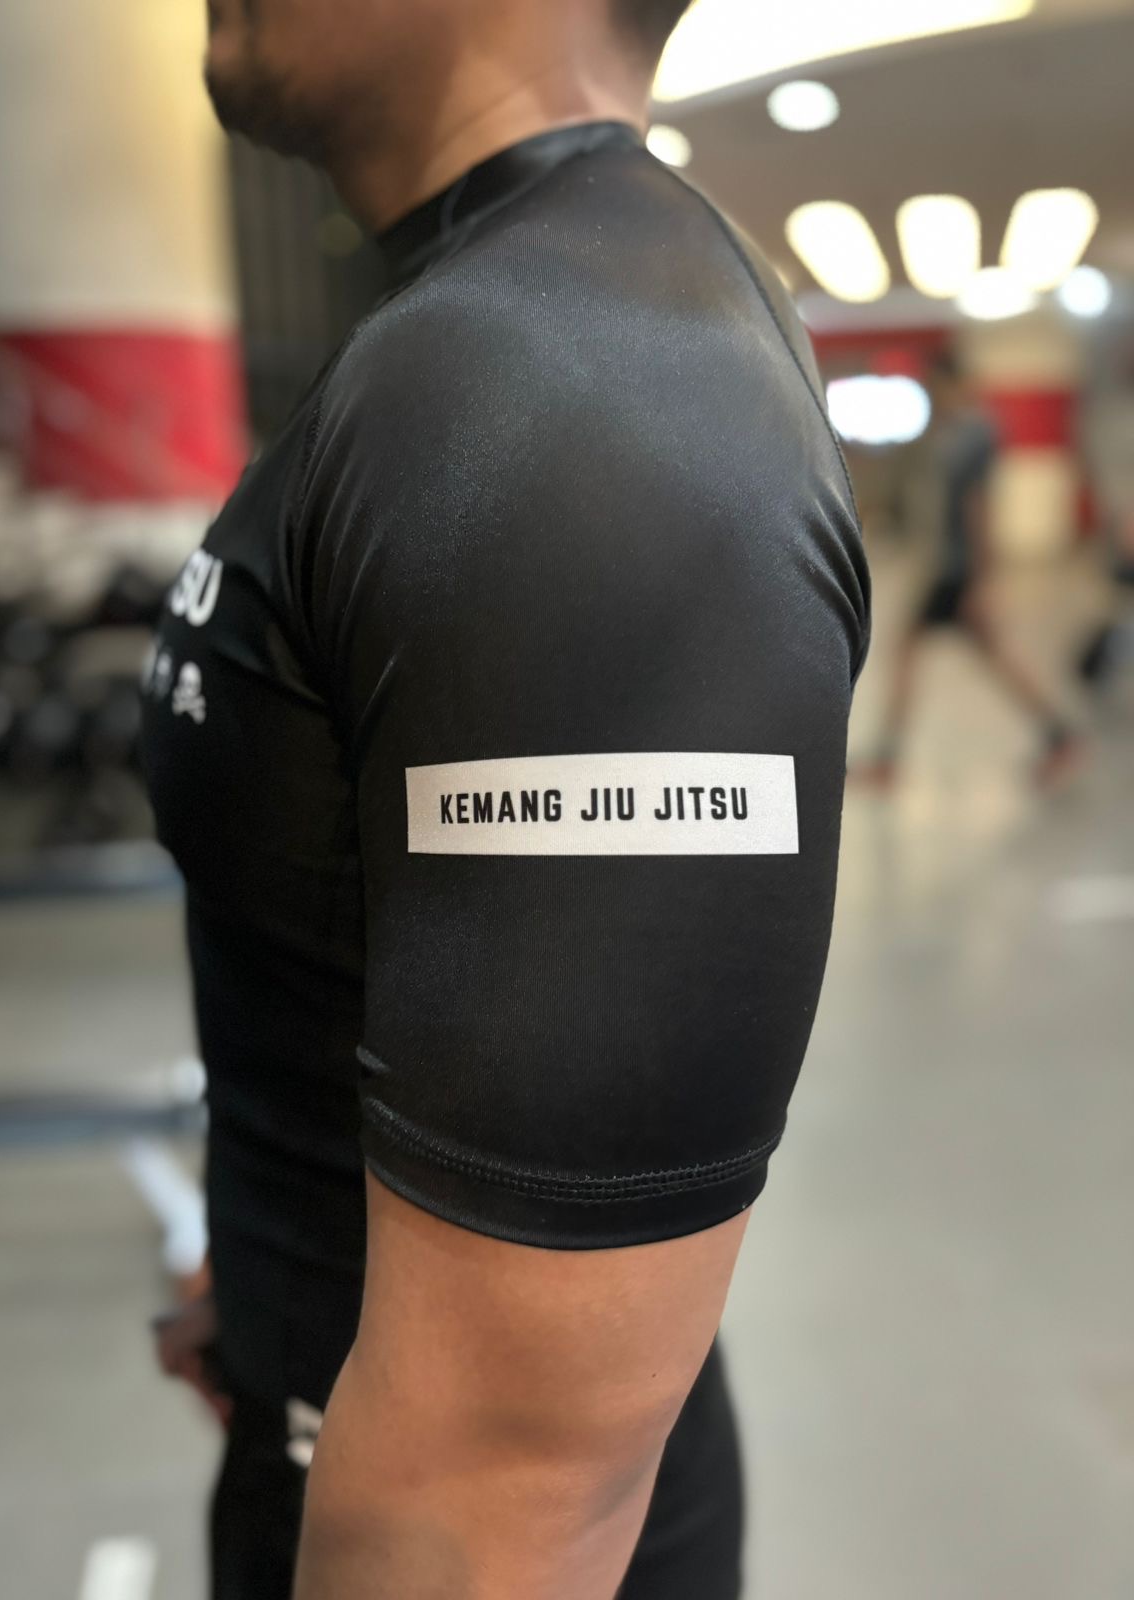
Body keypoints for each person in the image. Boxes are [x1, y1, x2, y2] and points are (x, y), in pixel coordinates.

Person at [142, 1, 871, 1596]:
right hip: (318, 1442)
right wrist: (274, 1253)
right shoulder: (479, 328)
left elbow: (508, 1486)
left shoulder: (572, 388)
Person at [855, 350, 1084, 790]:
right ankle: (1058, 734)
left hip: (956, 570)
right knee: (944, 654)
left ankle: (888, 758)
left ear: (953, 383)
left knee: (923, 653)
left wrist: (982, 580)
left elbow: (979, 508)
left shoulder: (974, 435)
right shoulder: (953, 432)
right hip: (948, 566)